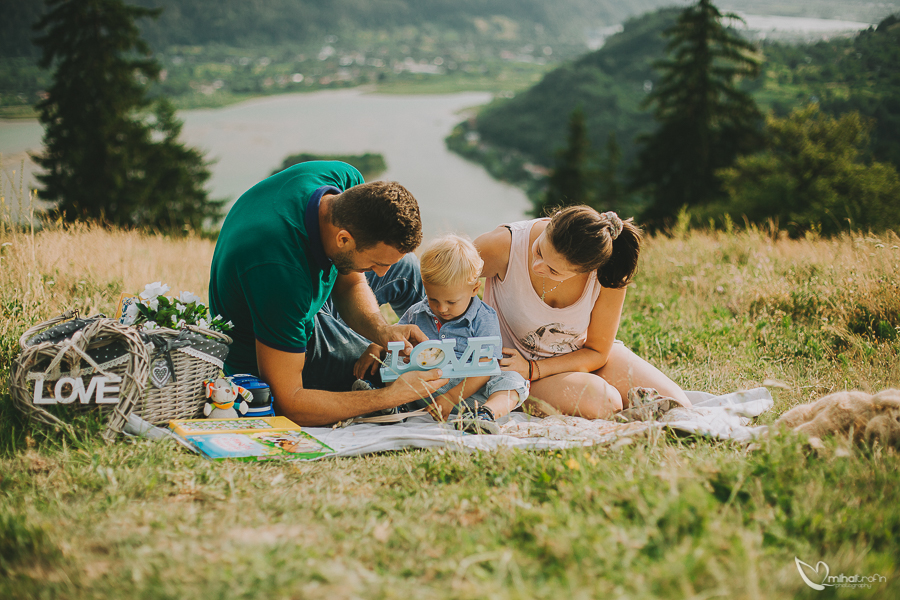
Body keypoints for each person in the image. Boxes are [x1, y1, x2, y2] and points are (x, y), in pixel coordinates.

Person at [209, 161, 448, 426]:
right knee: (382, 369)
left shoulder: (343, 182)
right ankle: (427, 386)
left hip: (303, 296)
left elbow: (352, 284)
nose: (380, 273)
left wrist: (382, 331)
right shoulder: (279, 270)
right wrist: (391, 395)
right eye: (376, 264)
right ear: (343, 239)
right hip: (272, 343)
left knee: (406, 268)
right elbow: (290, 402)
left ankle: (445, 355)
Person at [474, 205, 691, 419]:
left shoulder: (609, 272)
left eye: (553, 270)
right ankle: (513, 396)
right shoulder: (505, 244)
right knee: (605, 402)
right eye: (539, 250)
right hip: (515, 371)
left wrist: (535, 368)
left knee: (679, 408)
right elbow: (443, 277)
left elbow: (597, 351)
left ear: (588, 270)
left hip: (576, 357)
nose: (537, 265)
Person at [354, 234, 530, 434]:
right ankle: (392, 405)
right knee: (389, 363)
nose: (441, 308)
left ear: (474, 288)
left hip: (468, 393)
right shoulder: (417, 311)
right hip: (420, 387)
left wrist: (451, 398)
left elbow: (484, 369)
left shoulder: (485, 318)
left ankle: (485, 414)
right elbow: (395, 338)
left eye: (451, 302)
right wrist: (378, 346)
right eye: (432, 299)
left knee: (512, 379)